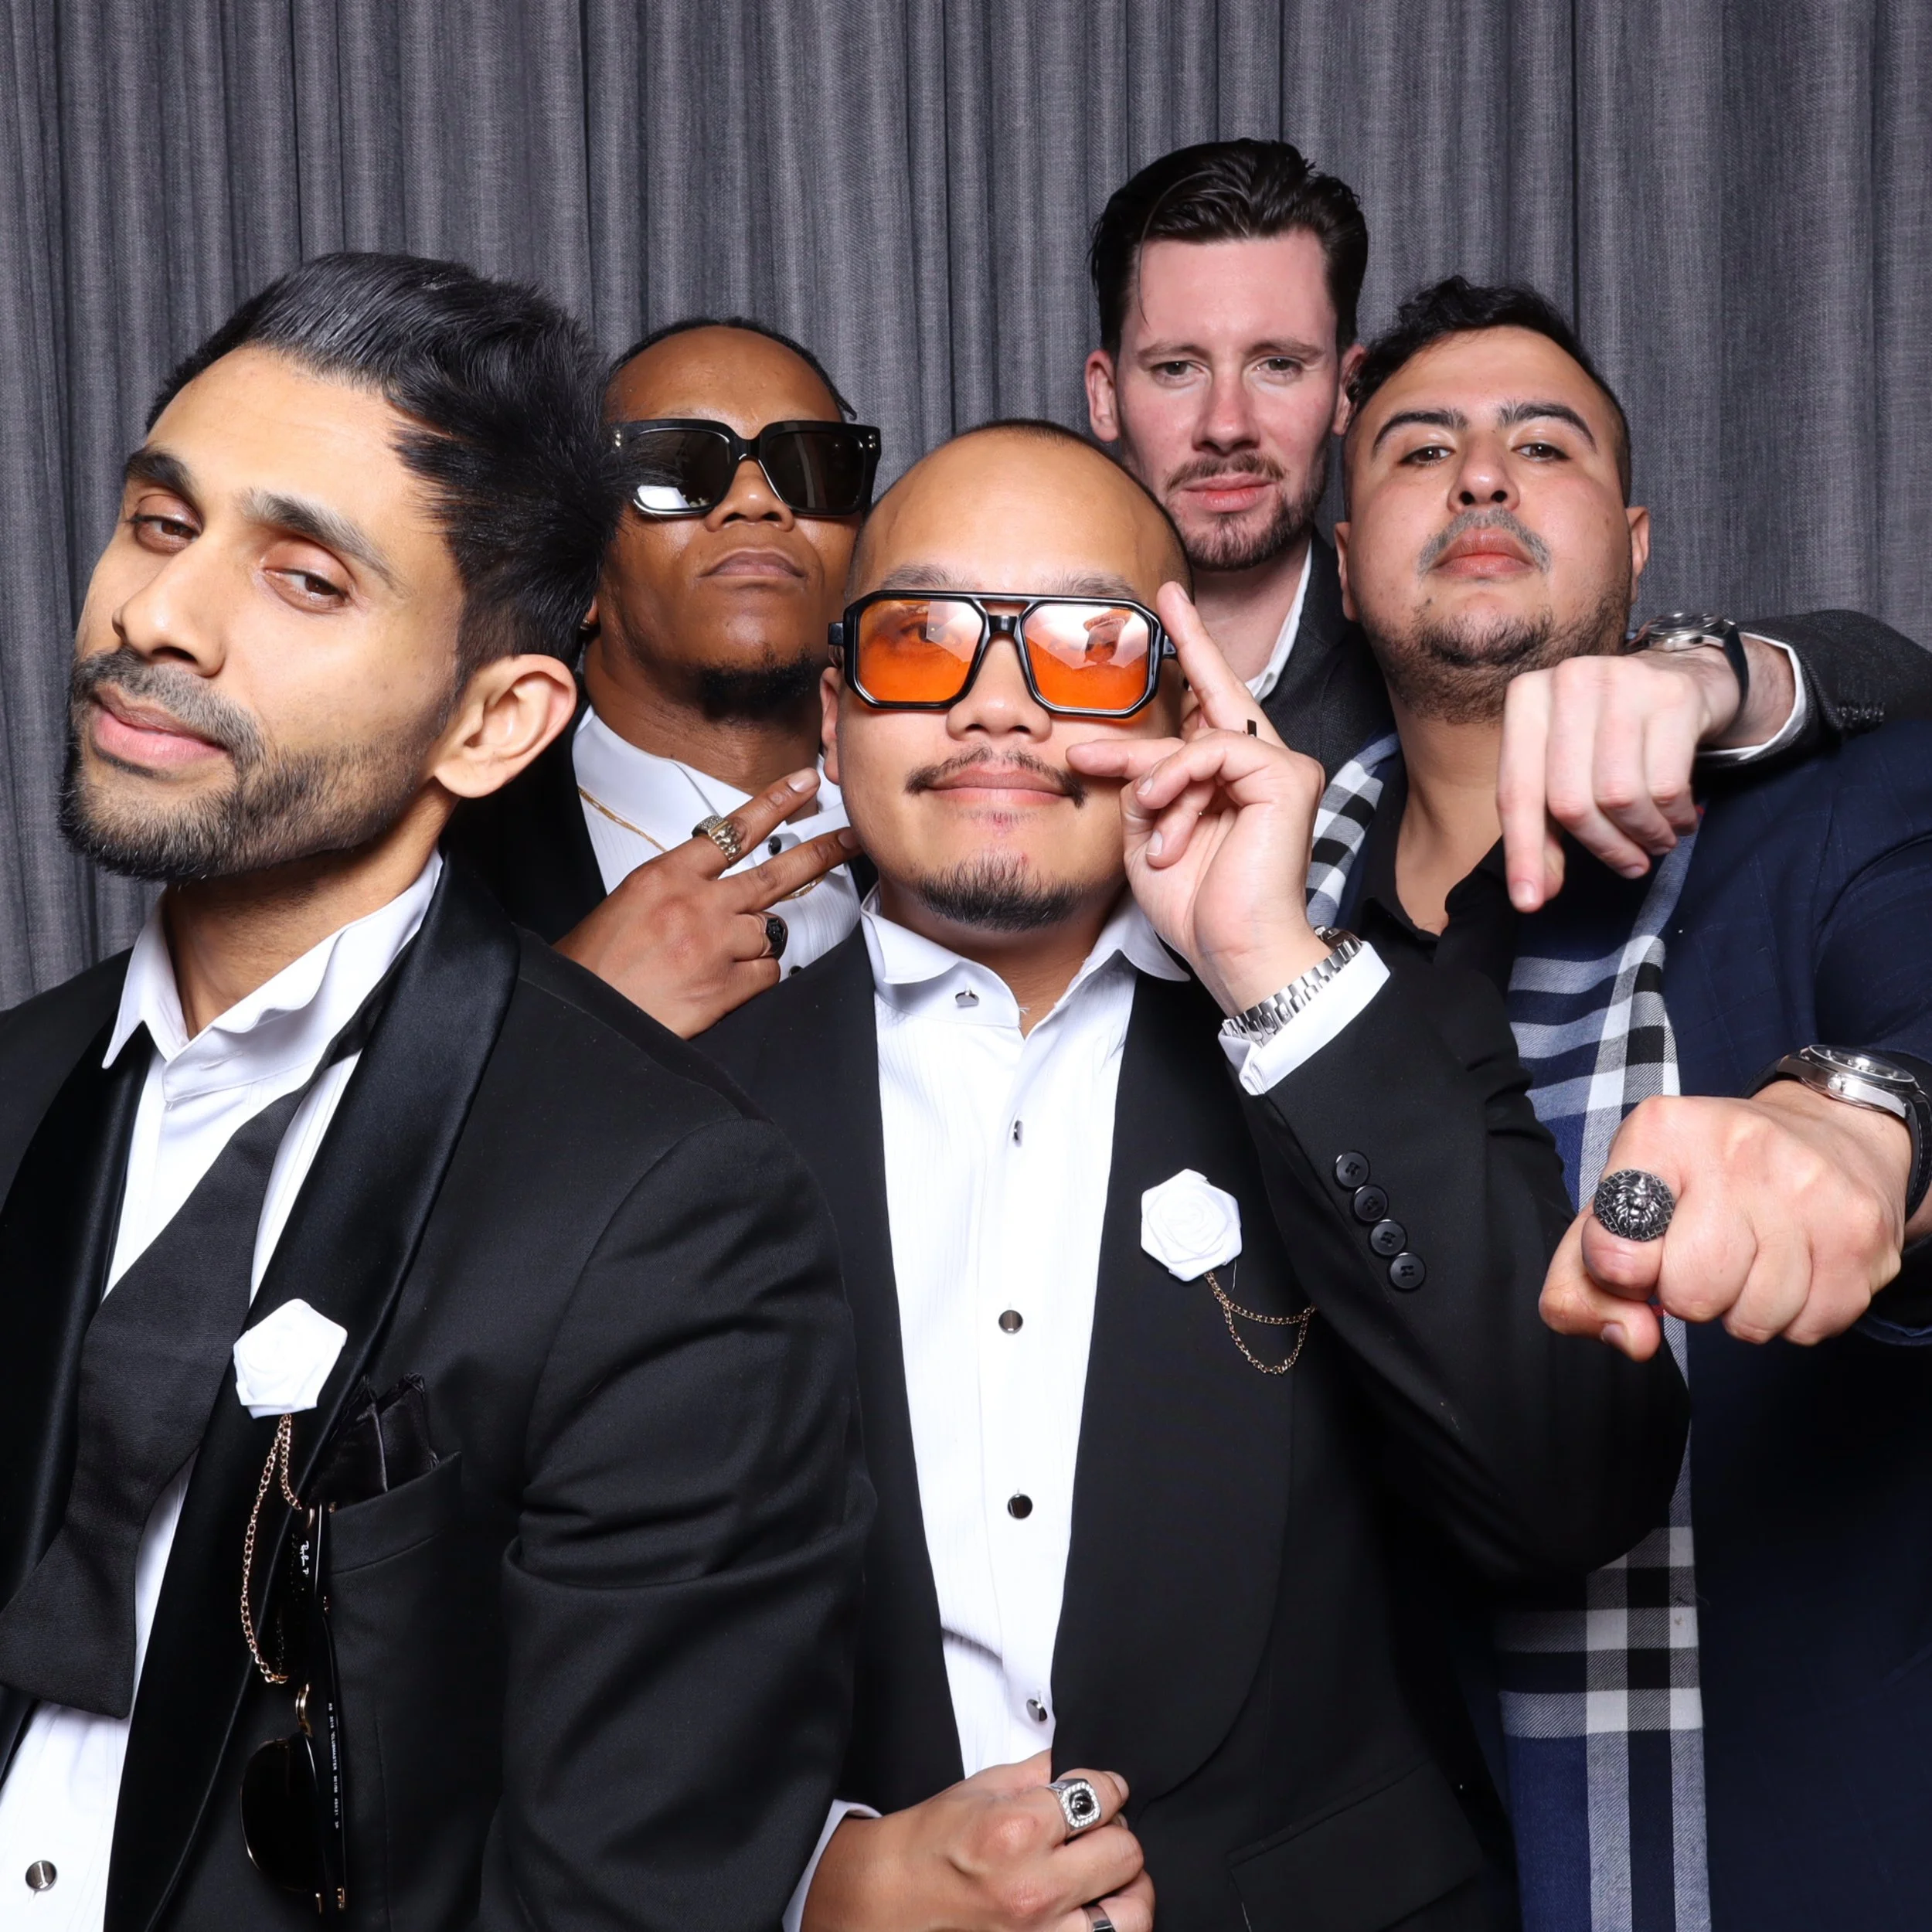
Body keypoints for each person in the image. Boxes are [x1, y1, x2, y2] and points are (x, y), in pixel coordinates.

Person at [702, 419, 1689, 1931]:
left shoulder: (1373, 1030)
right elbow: (570, 1671)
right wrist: (811, 1883)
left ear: (1185, 711)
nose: (996, 701)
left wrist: (1266, 962)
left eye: (1088, 647)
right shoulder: (679, 1119)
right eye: (922, 637)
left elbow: (1575, 1486)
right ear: (834, 720)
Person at [0, 254, 869, 1930]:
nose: (158, 617)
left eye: (306, 577)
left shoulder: (673, 1207)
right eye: (162, 523)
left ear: (494, 721)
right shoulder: (20, 1092)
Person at [1323, 275, 1932, 1932]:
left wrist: (1856, 1122)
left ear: (1639, 545)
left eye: (1546, 445)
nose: (1479, 474)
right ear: (1342, 560)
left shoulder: (1838, 816)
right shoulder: (1250, 924)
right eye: (1417, 448)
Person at [1081, 138, 1932, 854]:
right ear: (1105, 395)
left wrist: (1719, 673)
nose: (1226, 425)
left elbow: (1890, 681)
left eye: (1278, 365)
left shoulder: (1449, 620)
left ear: (1346, 389)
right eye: (1176, 368)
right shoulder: (1023, 652)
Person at [446, 317, 877, 1034]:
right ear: (580, 572)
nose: (755, 500)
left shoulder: (942, 822)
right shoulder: (436, 855)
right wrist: (562, 1023)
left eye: (809, 466)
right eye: (676, 470)